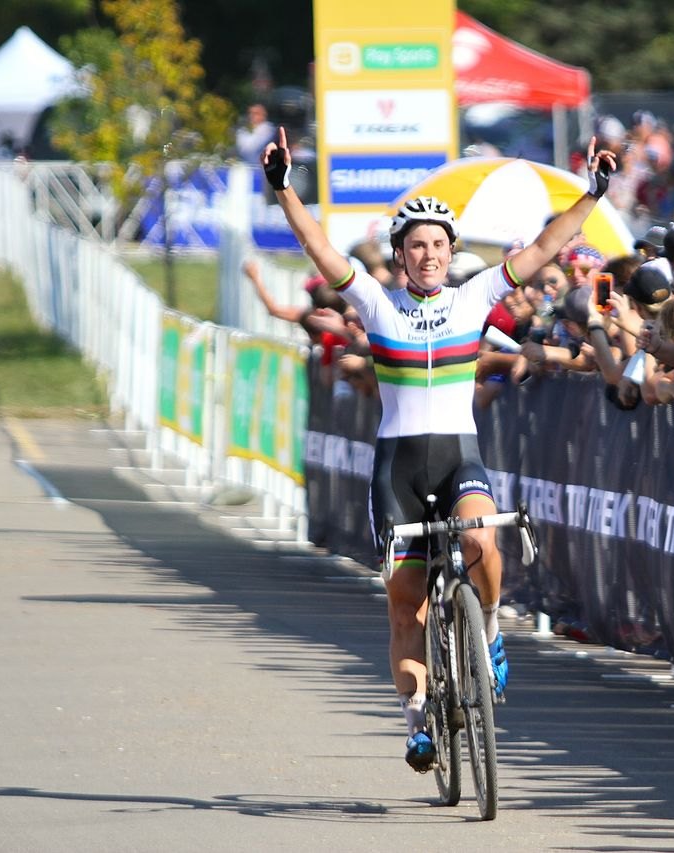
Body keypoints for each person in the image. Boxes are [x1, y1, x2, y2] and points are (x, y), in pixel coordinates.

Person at [261, 125, 617, 772]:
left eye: (438, 244)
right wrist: (284, 187)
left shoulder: (474, 295)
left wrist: (593, 192)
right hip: (398, 466)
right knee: (406, 603)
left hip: (458, 453)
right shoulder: (374, 301)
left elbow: (545, 245)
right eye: (417, 245)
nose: (428, 254)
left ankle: (488, 632)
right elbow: (316, 245)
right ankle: (418, 717)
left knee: (482, 539)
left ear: (452, 251)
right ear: (400, 254)